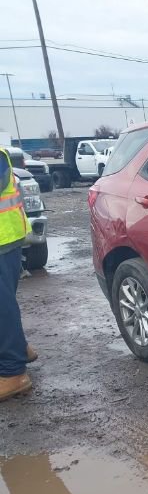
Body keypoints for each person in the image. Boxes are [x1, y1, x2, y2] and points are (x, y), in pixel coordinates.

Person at [0, 146, 37, 402]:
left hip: (3, 240)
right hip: (5, 238)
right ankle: (19, 349)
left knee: (2, 306)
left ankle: (14, 372)